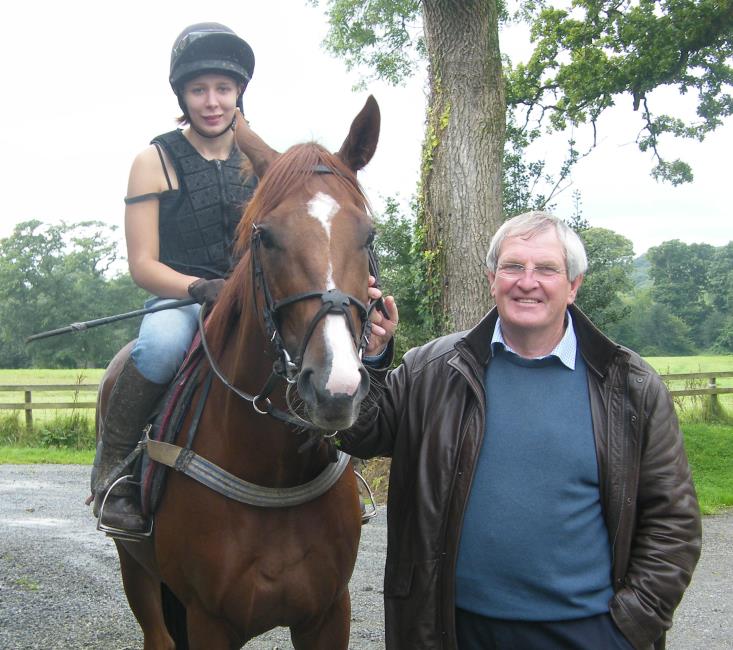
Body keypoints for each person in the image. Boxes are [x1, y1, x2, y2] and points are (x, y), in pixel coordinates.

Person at [346, 210, 702, 650]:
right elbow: (359, 434)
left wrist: (628, 628)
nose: (527, 281)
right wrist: (371, 360)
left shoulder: (630, 386)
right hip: (453, 630)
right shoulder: (432, 370)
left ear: (573, 286)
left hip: (587, 633)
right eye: (513, 266)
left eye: (547, 269)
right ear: (492, 278)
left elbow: (674, 523)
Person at [91, 22, 258, 534]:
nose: (212, 101)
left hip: (252, 296)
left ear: (239, 93)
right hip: (182, 295)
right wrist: (196, 288)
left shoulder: (261, 157)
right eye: (199, 89)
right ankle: (114, 472)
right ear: (182, 94)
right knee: (161, 347)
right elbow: (143, 265)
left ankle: (335, 467)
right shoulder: (154, 159)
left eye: (223, 89)